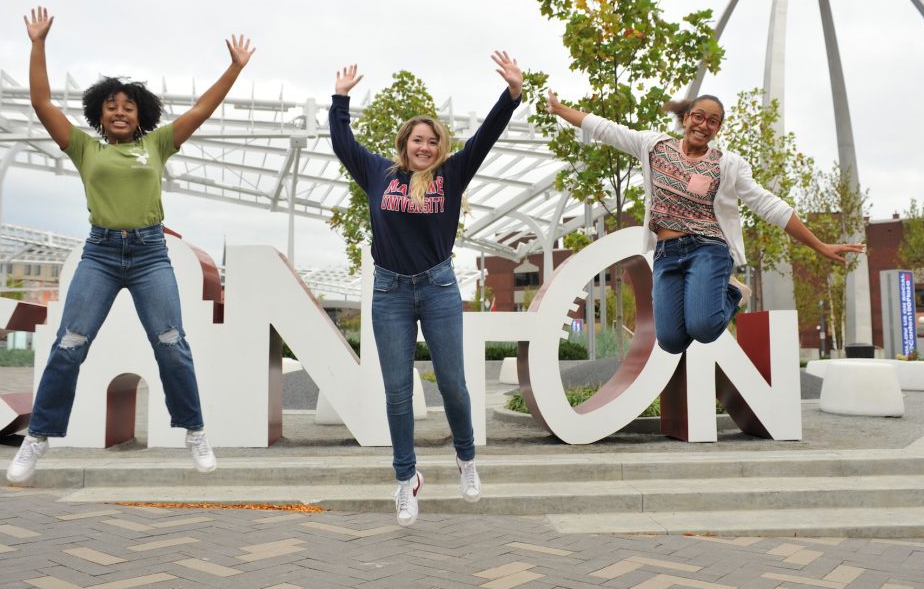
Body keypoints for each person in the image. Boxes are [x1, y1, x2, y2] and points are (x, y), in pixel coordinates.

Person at [7, 6, 255, 483]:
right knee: (69, 345)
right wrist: (37, 43)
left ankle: (195, 430)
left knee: (171, 344)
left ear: (141, 116)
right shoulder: (85, 148)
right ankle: (37, 438)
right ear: (99, 114)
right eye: (111, 106)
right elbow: (42, 104)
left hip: (149, 255)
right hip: (99, 254)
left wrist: (235, 68)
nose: (119, 111)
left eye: (128, 106)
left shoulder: (157, 146)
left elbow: (202, 110)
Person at [329, 53, 522, 526]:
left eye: (432, 141)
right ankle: (405, 480)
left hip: (437, 287)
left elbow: (486, 138)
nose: (425, 147)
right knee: (397, 393)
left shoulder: (451, 176)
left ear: (439, 148)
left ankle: (466, 459)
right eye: (418, 140)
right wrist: (340, 99)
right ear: (404, 144)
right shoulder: (379, 174)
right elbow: (342, 143)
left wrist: (512, 95)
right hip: (390, 292)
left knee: (453, 385)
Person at [545, 91, 865, 354]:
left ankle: (733, 294)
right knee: (671, 342)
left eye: (713, 121)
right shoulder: (654, 146)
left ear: (717, 129)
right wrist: (560, 110)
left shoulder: (727, 165)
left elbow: (769, 205)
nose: (703, 125)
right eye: (698, 116)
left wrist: (819, 245)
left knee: (704, 328)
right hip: (666, 254)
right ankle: (710, 296)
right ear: (686, 119)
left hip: (707, 250)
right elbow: (605, 129)